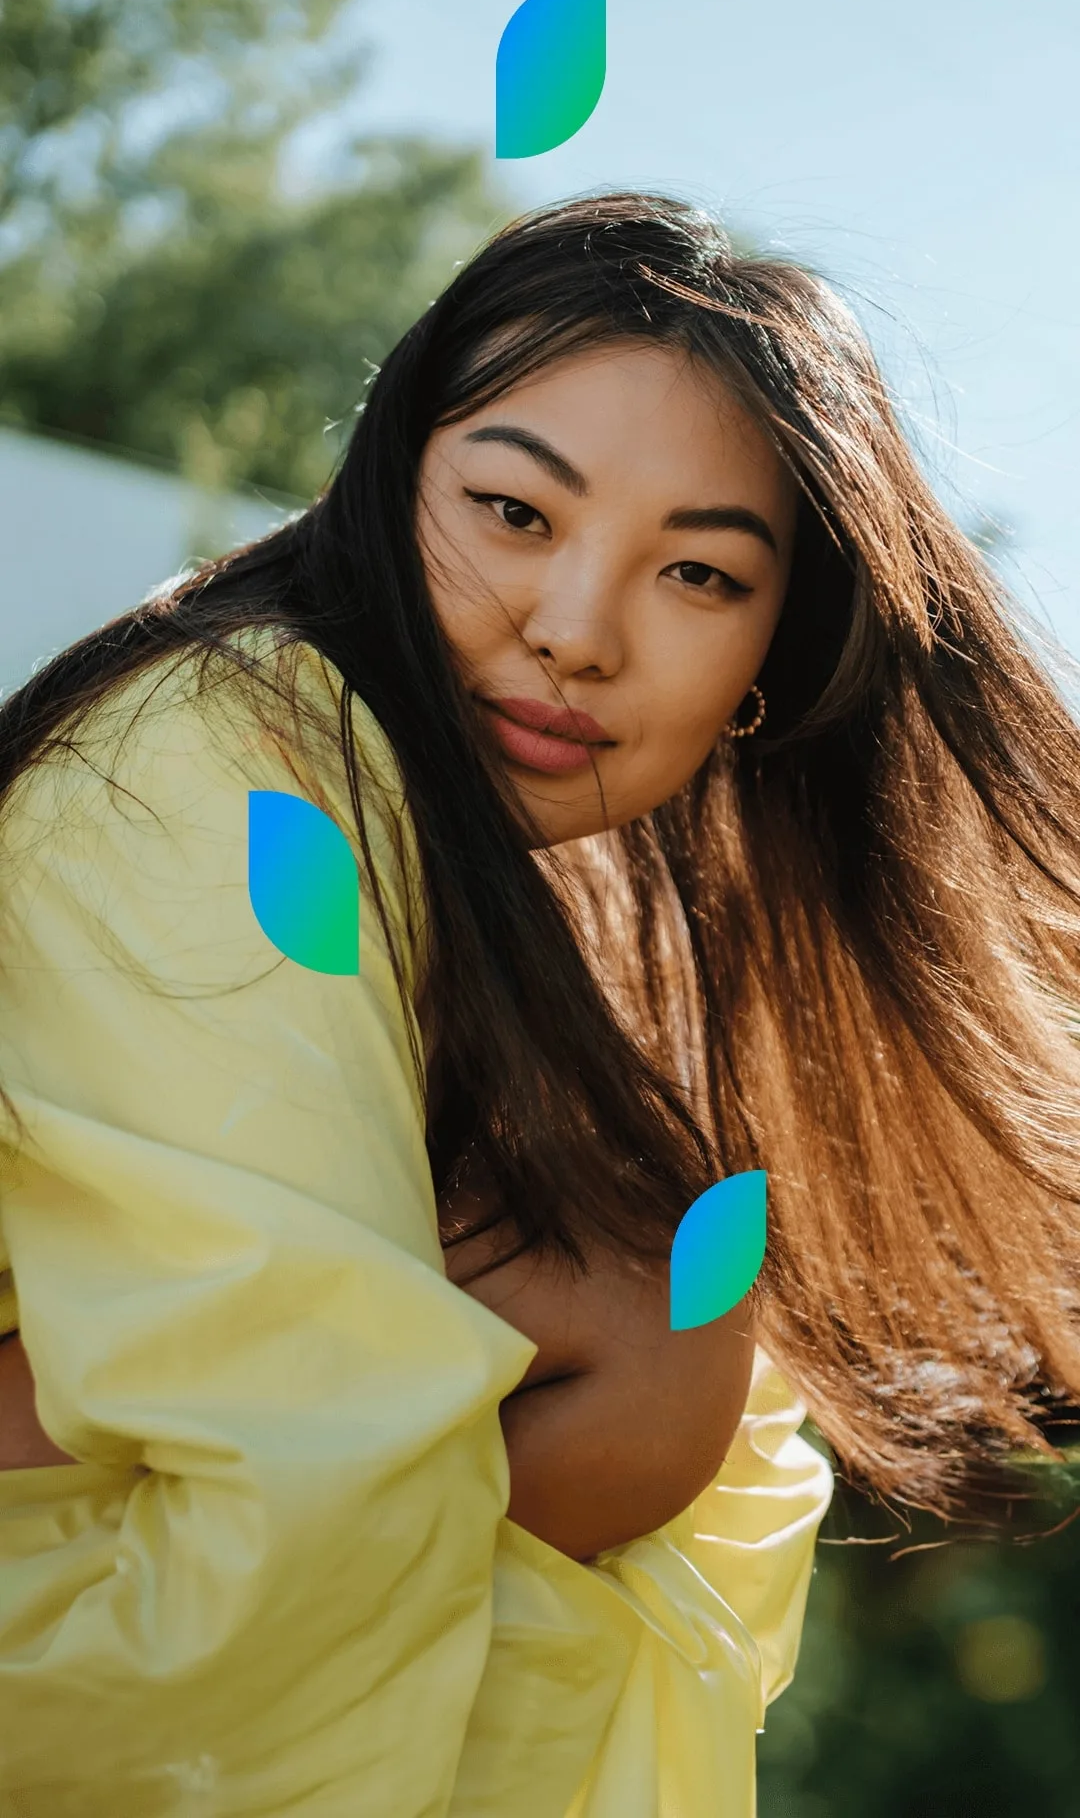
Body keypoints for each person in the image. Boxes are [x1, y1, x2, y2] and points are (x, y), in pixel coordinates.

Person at [0, 189, 1077, 1814]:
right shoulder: (232, 770)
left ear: (776, 659)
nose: (574, 632)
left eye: (701, 577)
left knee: (664, 1316)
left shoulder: (482, 868)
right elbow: (304, 1453)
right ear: (388, 479)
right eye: (514, 512)